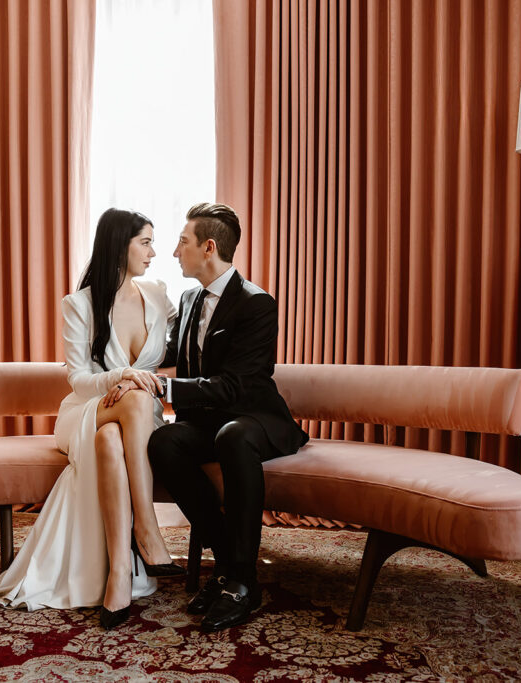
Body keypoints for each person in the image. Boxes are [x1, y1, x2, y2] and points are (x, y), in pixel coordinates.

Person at [0, 208, 184, 630]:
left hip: (129, 420)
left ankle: (120, 575)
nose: (154, 252)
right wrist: (126, 375)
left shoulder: (159, 294)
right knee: (135, 403)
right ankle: (146, 529)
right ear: (119, 245)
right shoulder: (79, 304)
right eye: (145, 242)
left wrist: (142, 380)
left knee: (113, 436)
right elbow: (78, 378)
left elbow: (179, 356)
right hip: (85, 410)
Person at [148, 202, 309, 633]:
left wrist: (164, 388)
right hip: (207, 420)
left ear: (209, 247)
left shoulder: (257, 305)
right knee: (164, 441)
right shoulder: (187, 298)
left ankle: (241, 581)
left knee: (233, 436)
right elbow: (165, 355)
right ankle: (227, 563)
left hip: (252, 418)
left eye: (183, 242)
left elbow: (236, 386)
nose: (175, 251)